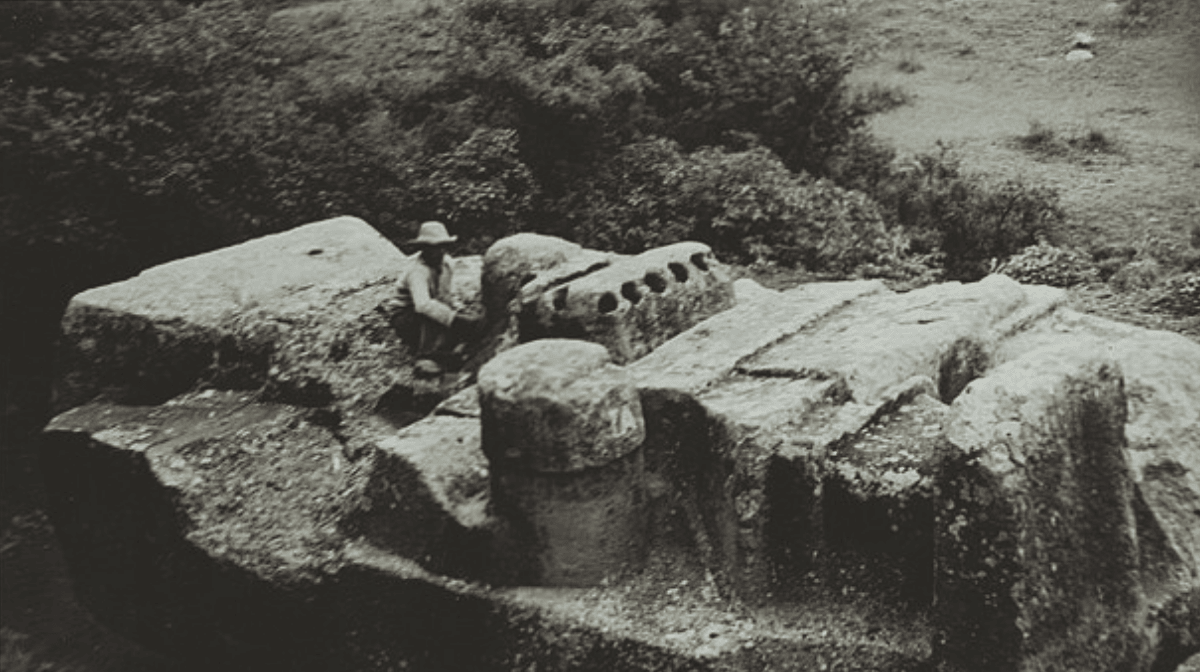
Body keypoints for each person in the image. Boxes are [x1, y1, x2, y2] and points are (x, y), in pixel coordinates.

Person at [396, 221, 483, 377]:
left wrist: (458, 311)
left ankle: (450, 350)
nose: (438, 252)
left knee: (453, 318)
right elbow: (422, 304)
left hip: (433, 303)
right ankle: (426, 356)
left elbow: (445, 293)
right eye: (432, 248)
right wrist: (454, 319)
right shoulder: (417, 271)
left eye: (442, 247)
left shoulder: (447, 263)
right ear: (423, 249)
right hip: (406, 314)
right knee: (430, 315)